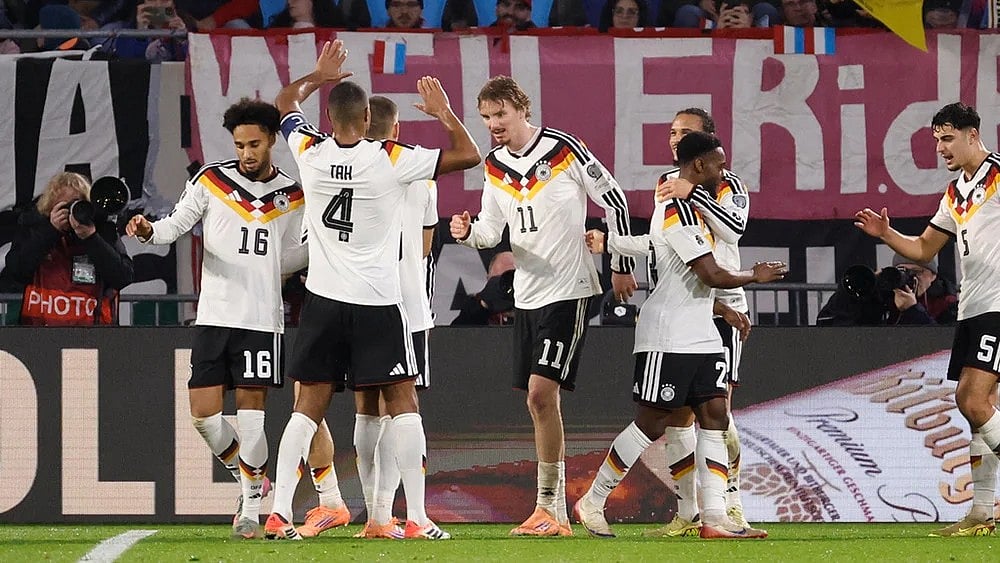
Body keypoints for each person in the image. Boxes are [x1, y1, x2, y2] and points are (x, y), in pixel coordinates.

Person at [265, 39, 480, 541]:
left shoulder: (309, 151)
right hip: (378, 301)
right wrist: (445, 112)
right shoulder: (390, 157)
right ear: (366, 117)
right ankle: (418, 518)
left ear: (331, 117)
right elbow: (469, 155)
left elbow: (283, 104)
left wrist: (319, 75)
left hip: (322, 301)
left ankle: (278, 510)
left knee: (308, 407)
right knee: (402, 400)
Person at [125, 98, 328, 540]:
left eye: (254, 144)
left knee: (252, 416)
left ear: (273, 140)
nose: (246, 153)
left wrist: (311, 253)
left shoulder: (294, 194)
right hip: (214, 314)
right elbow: (175, 226)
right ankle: (252, 477)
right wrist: (148, 231)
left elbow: (293, 255)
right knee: (203, 415)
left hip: (261, 317)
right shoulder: (212, 180)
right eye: (239, 145)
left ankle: (251, 508)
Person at [449, 75, 637, 536]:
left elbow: (614, 198)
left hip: (569, 289)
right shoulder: (494, 165)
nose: (494, 124)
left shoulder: (563, 148)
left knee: (540, 393)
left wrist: (619, 258)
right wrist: (467, 233)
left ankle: (550, 508)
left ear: (521, 109)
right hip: (527, 294)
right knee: (538, 403)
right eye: (487, 117)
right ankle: (547, 510)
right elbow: (493, 231)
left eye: (500, 114)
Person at [574, 132, 785, 540]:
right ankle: (593, 500)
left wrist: (721, 307)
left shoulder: (696, 210)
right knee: (652, 423)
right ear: (699, 166)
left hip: (702, 332)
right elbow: (711, 274)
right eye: (718, 165)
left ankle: (714, 516)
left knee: (715, 416)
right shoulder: (677, 209)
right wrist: (753, 277)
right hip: (667, 334)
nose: (724, 172)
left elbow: (662, 253)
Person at [854, 102, 1000, 537]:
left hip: (999, 304)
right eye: (936, 139)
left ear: (973, 135)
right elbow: (922, 249)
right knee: (983, 412)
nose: (940, 147)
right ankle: (982, 511)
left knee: (971, 401)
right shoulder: (956, 193)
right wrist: (887, 236)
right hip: (974, 307)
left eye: (948, 138)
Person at [651, 107, 755, 535]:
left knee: (717, 411)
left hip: (726, 301)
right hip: (686, 307)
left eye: (687, 133)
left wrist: (691, 190)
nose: (676, 139)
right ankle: (686, 511)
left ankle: (730, 500)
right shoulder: (665, 184)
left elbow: (734, 229)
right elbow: (662, 244)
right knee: (678, 414)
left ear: (709, 145)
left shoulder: (730, 185)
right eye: (673, 132)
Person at [343, 94, 441, 537]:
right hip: (408, 306)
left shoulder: (344, 172)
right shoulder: (421, 175)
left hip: (358, 301)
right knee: (405, 409)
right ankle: (416, 515)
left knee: (367, 409)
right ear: (396, 129)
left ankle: (377, 516)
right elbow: (423, 248)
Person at [1, 172, 133, 325]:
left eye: (77, 205)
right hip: (39, 332)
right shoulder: (34, 229)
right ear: (50, 207)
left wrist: (91, 237)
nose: (71, 212)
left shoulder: (102, 231)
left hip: (94, 333)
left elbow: (124, 276)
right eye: (64, 206)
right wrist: (51, 230)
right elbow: (16, 270)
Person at [816, 253, 959, 326]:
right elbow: (827, 322)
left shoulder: (948, 303)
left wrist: (912, 310)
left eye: (917, 272)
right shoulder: (884, 296)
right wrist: (864, 287)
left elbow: (943, 347)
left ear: (933, 276)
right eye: (902, 271)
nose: (911, 278)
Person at [451, 250, 516, 326]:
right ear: (489, 279)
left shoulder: (531, 305)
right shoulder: (475, 306)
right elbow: (456, 333)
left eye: (512, 278)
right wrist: (485, 305)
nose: (508, 284)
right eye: (501, 279)